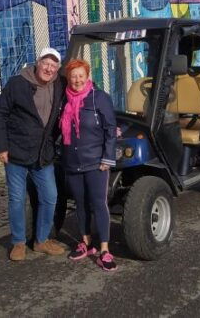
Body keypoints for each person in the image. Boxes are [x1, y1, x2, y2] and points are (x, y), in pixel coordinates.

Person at [0, 47, 66, 261]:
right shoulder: (17, 83)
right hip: (16, 153)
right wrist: (0, 146)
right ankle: (18, 242)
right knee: (16, 199)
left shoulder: (59, 85)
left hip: (43, 154)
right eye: (46, 63)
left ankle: (41, 240)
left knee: (50, 197)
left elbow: (82, 85)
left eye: (53, 65)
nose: (49, 68)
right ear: (38, 63)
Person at [59, 59, 118, 272]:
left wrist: (107, 158)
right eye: (73, 76)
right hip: (73, 162)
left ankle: (104, 250)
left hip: (96, 162)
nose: (77, 80)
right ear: (68, 77)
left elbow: (111, 129)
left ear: (87, 76)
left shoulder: (99, 98)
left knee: (98, 203)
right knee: (80, 203)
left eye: (80, 75)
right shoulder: (63, 98)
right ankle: (86, 243)